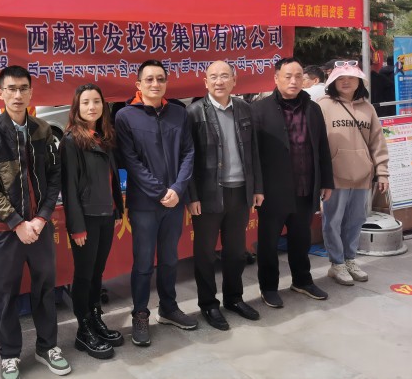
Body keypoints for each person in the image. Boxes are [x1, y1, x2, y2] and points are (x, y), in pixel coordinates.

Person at [0, 66, 70, 379]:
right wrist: (17, 223)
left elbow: (54, 176)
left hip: (40, 227)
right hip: (5, 230)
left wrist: (41, 218)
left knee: (45, 288)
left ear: (31, 93)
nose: (17, 95)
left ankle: (47, 346)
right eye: (11, 89)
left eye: (23, 88)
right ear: (0, 93)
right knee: (5, 294)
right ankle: (9, 354)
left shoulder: (43, 129)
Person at [115, 59, 196, 347]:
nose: (155, 84)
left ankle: (169, 308)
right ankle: (140, 314)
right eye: (149, 79)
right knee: (143, 262)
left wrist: (178, 188)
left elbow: (188, 153)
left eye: (160, 79)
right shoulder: (125, 116)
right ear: (138, 84)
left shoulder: (179, 113)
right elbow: (130, 161)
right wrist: (160, 191)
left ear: (166, 83)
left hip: (174, 201)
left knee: (170, 258)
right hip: (145, 204)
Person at [186, 61, 264, 331]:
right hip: (208, 194)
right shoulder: (194, 112)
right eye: (213, 77)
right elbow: (188, 158)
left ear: (234, 80)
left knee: (235, 252)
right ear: (205, 82)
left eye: (224, 76)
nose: (219, 81)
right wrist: (192, 195)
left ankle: (234, 298)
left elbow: (254, 152)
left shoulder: (244, 109)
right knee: (205, 254)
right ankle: (208, 304)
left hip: (240, 192)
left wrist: (257, 188)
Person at [251, 58, 334, 308]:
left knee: (301, 239)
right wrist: (257, 188)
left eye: (298, 76)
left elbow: (322, 147)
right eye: (288, 76)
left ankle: (302, 280)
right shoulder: (260, 110)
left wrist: (326, 181)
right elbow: (253, 154)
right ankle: (268, 287)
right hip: (272, 192)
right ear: (276, 78)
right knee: (268, 243)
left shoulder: (313, 108)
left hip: (305, 188)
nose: (294, 81)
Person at [60, 84, 125, 359]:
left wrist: (116, 209)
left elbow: (110, 179)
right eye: (85, 102)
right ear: (77, 107)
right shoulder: (71, 140)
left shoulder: (103, 136)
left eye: (96, 101)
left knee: (98, 273)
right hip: (85, 219)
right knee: (84, 275)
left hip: (106, 215)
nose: (91, 107)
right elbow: (69, 188)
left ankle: (96, 318)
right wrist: (76, 227)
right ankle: (83, 328)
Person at [317, 61, 389, 285]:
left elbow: (377, 142)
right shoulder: (322, 105)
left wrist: (382, 172)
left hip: (362, 176)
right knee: (333, 221)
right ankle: (336, 263)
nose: (346, 82)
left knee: (356, 220)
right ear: (332, 82)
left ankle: (350, 259)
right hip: (334, 177)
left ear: (359, 81)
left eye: (351, 78)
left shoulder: (368, 108)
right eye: (340, 78)